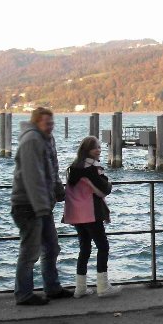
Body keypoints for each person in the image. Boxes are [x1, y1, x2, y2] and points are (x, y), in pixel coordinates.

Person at [11, 107, 73, 305]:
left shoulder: (46, 139)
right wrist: (40, 207)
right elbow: (33, 176)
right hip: (28, 205)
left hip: (43, 204)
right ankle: (23, 294)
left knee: (52, 247)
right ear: (37, 122)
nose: (50, 126)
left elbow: (52, 170)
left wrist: (59, 191)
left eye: (52, 122)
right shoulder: (31, 140)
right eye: (47, 123)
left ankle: (52, 287)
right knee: (30, 252)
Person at [62, 136, 121, 299]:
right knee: (103, 247)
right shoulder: (92, 168)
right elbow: (105, 188)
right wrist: (108, 183)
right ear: (87, 150)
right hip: (91, 213)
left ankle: (80, 288)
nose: (99, 150)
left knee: (85, 248)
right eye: (96, 148)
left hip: (76, 214)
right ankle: (103, 286)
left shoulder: (73, 168)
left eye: (99, 147)